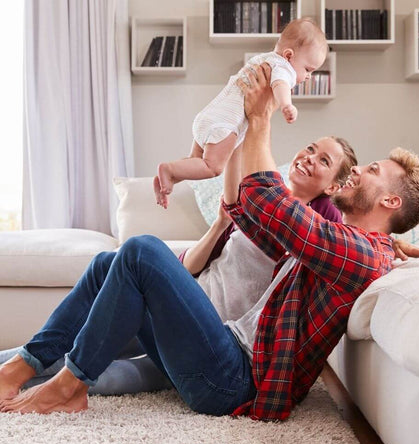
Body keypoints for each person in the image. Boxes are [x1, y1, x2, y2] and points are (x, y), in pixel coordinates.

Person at [0, 63, 419, 420]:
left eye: (372, 171)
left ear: (390, 200)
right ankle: (22, 367)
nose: (360, 172)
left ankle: (68, 386)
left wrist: (263, 116)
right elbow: (252, 207)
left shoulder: (360, 252)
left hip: (233, 380)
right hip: (220, 349)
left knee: (141, 251)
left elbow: (276, 208)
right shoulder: (354, 245)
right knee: (105, 264)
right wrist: (243, 119)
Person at [0, 134, 356, 396]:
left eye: (323, 160)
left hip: (211, 339)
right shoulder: (260, 200)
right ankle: (15, 367)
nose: (309, 157)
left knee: (112, 371)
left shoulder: (312, 228)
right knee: (104, 270)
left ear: (334, 186)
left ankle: (53, 383)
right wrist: (220, 224)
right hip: (182, 309)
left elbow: (348, 235)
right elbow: (190, 268)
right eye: (310, 148)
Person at [153, 17, 328, 208]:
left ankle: (166, 178)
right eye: (308, 69)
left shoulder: (261, 59)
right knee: (212, 168)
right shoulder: (282, 67)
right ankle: (169, 169)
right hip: (224, 125)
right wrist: (287, 104)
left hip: (209, 117)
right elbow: (280, 84)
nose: (309, 76)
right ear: (288, 55)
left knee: (195, 162)